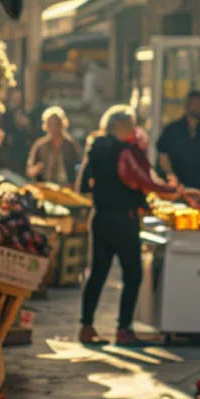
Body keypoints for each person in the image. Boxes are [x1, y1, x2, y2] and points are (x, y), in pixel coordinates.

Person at [76, 105, 182, 345]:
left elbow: (82, 184)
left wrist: (103, 188)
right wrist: (170, 189)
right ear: (119, 126)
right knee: (132, 274)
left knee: (97, 273)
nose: (134, 130)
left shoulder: (95, 148)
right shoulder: (126, 151)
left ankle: (86, 326)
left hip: (100, 217)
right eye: (131, 125)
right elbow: (146, 180)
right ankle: (124, 330)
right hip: (124, 219)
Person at [27, 106, 82, 186]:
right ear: (46, 125)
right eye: (51, 124)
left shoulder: (71, 145)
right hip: (45, 188)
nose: (54, 127)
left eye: (56, 123)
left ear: (62, 124)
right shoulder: (40, 145)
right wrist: (38, 168)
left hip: (67, 188)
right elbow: (30, 170)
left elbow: (79, 168)